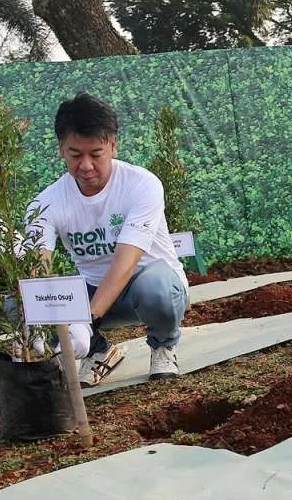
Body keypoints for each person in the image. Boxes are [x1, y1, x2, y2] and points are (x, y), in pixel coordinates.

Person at [27, 93, 189, 386]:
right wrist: (41, 320)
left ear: (113, 146)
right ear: (61, 149)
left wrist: (86, 319)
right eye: (75, 155)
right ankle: (100, 350)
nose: (86, 166)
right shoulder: (46, 203)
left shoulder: (142, 185)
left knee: (157, 289)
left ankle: (163, 345)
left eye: (96, 154)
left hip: (146, 286)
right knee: (24, 303)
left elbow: (126, 262)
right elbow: (37, 266)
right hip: (93, 291)